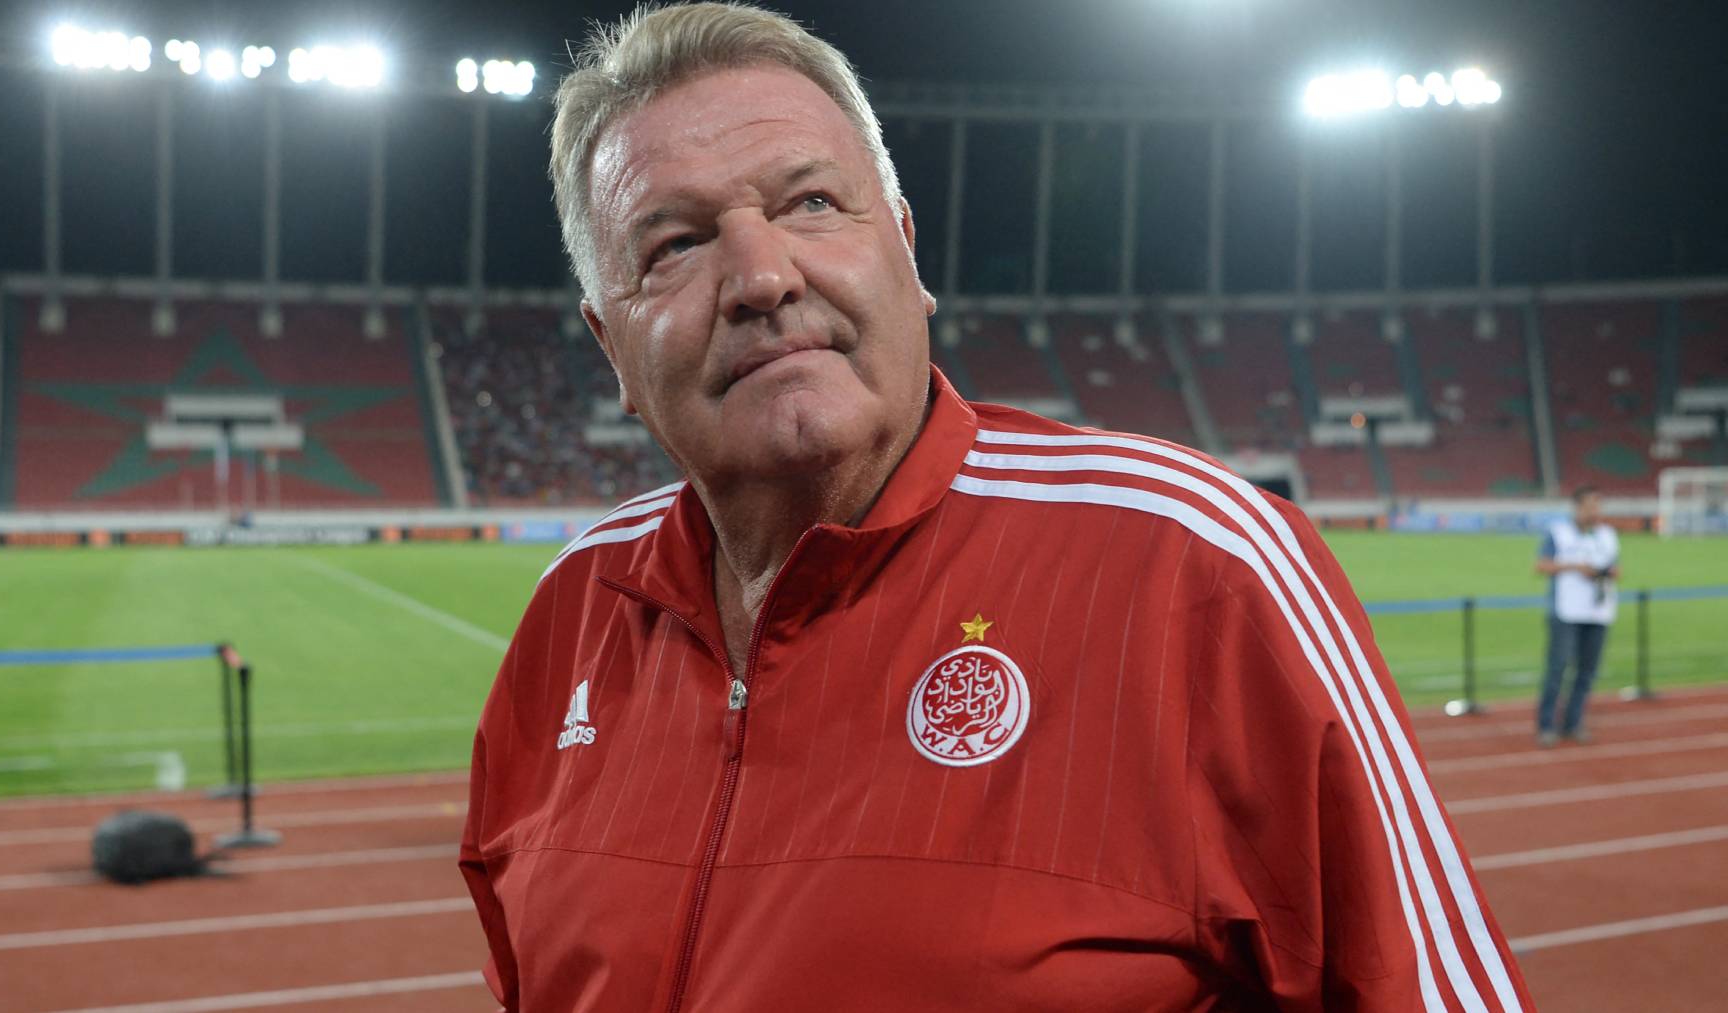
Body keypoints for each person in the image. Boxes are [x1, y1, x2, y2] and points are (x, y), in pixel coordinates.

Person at [459, 4, 1533, 1010]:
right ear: (612, 346)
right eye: (674, 245)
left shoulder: (1197, 567)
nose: (760, 275)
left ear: (908, 252)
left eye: (812, 203)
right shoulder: (570, 615)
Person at [1533, 486, 1620, 746]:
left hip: (1598, 612)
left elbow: (1617, 569)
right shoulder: (1558, 532)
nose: (1595, 511)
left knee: (1587, 672)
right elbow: (1541, 565)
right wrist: (1575, 567)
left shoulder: (1607, 535)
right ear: (1577, 507)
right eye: (1590, 506)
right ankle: (1546, 724)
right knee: (1557, 668)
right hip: (1566, 611)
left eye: (1598, 506)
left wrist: (1604, 572)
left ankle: (1573, 722)